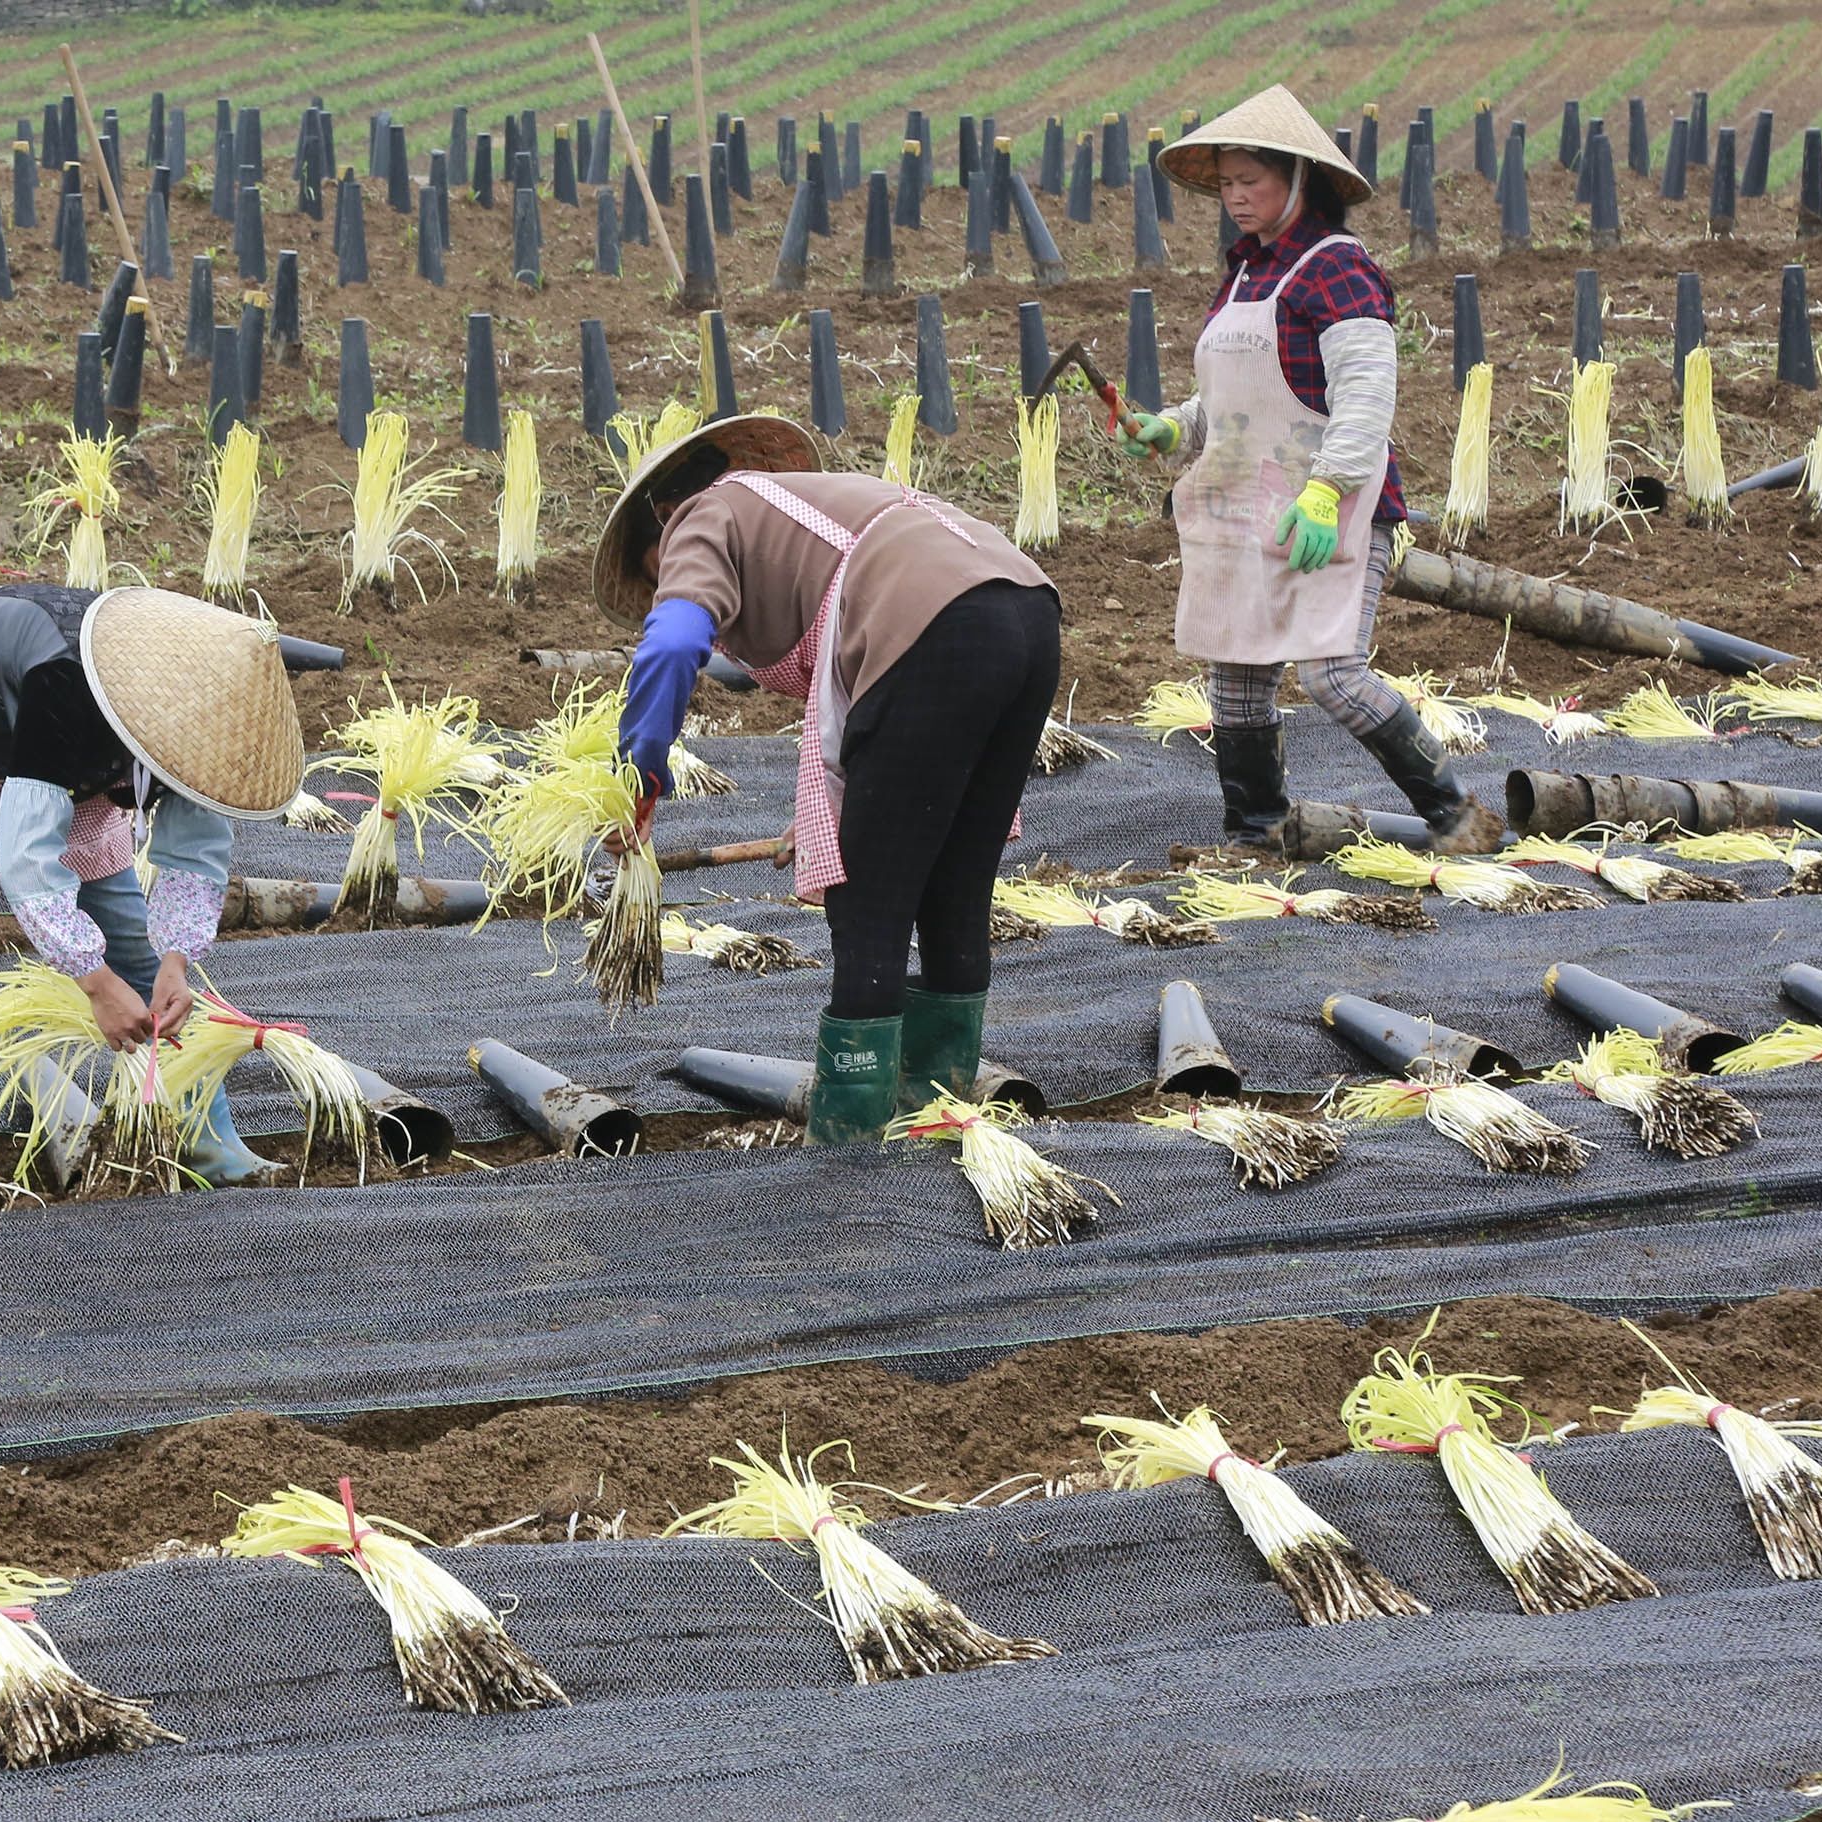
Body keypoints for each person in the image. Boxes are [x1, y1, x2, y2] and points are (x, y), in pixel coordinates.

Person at [601, 414, 1061, 1145]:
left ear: (664, 518)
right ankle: (935, 1110)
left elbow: (674, 644)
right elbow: (864, 696)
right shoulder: (813, 506)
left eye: (663, 574)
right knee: (953, 886)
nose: (686, 586)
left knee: (866, 903)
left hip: (934, 631)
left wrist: (639, 773)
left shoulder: (704, 513)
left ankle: (849, 1141)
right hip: (1029, 620)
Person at [1117, 85, 1500, 856]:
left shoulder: (1339, 268)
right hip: (1247, 505)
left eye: (1248, 182)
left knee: (1333, 675)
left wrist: (1325, 491)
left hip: (1335, 505)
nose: (1233, 198)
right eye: (1224, 184)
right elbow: (1234, 400)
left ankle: (1459, 815)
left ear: (1296, 178)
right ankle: (1256, 831)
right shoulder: (1246, 273)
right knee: (1236, 675)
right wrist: (1173, 426)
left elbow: (1365, 398)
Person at [0, 583, 307, 1187]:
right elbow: (29, 862)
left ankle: (209, 1140)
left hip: (74, 786)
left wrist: (176, 963)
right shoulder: (68, 684)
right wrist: (97, 985)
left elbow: (195, 849)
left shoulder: (200, 718)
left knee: (141, 952)